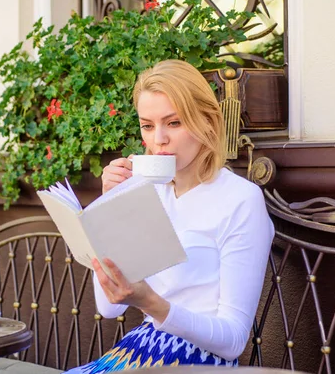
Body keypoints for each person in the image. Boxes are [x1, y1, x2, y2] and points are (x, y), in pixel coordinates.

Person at [65, 59, 274, 373]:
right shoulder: (143, 191)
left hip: (196, 362)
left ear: (207, 122)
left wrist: (152, 303)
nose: (157, 139)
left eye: (173, 123)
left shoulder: (240, 199)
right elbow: (109, 307)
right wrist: (110, 206)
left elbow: (233, 341)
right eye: (147, 125)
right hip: (138, 351)